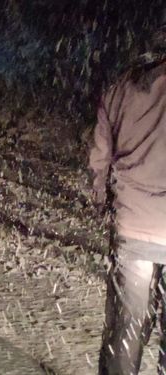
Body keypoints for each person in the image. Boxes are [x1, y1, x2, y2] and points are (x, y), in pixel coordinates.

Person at [90, 22, 166, 374]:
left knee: (125, 330)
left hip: (133, 224)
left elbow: (99, 161)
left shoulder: (119, 89)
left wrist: (103, 203)